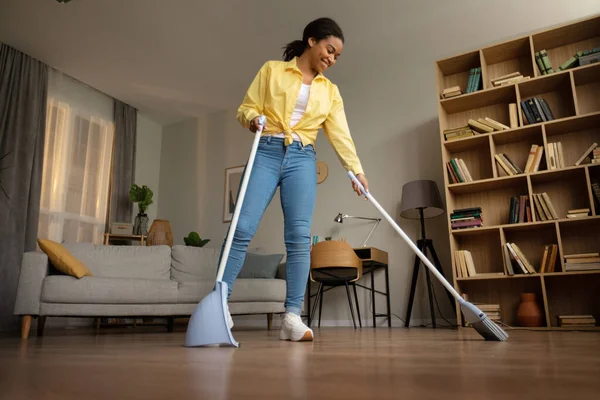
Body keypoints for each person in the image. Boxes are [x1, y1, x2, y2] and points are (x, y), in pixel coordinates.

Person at [220, 17, 369, 342]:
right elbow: (246, 108)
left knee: (299, 237)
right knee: (242, 228)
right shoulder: (272, 70)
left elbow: (340, 134)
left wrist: (355, 170)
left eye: (337, 56)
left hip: (303, 157)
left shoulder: (330, 91)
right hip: (267, 150)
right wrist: (253, 118)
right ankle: (219, 306)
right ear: (312, 41)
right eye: (330, 50)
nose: (331, 59)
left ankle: (291, 317)